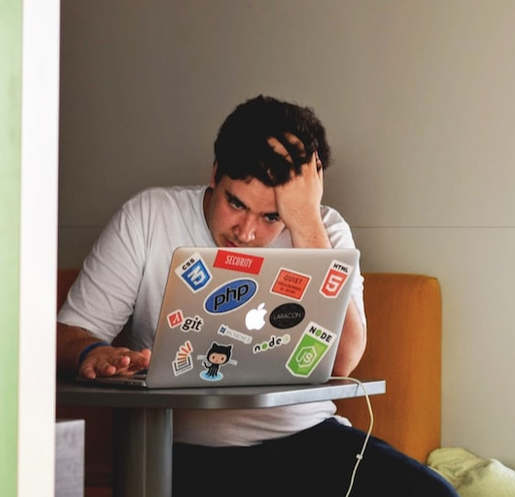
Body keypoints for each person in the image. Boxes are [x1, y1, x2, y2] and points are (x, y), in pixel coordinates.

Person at [56, 95, 459, 497]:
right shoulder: (149, 216)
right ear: (215, 173)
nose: (246, 233)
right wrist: (92, 351)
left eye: (271, 217)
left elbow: (344, 360)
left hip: (306, 438)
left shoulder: (325, 231)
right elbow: (67, 334)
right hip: (182, 452)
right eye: (236, 203)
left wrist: (304, 221)